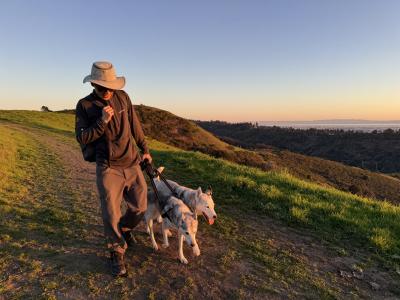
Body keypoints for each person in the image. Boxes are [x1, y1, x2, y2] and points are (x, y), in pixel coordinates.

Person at [75, 61, 152, 277]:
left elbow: (135, 124)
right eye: (102, 88)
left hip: (132, 162)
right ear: (94, 86)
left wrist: (144, 149)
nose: (107, 91)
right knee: (111, 213)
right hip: (108, 167)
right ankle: (117, 252)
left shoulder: (123, 97)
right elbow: (82, 137)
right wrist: (102, 122)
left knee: (140, 207)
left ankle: (125, 229)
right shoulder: (85, 106)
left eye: (110, 87)